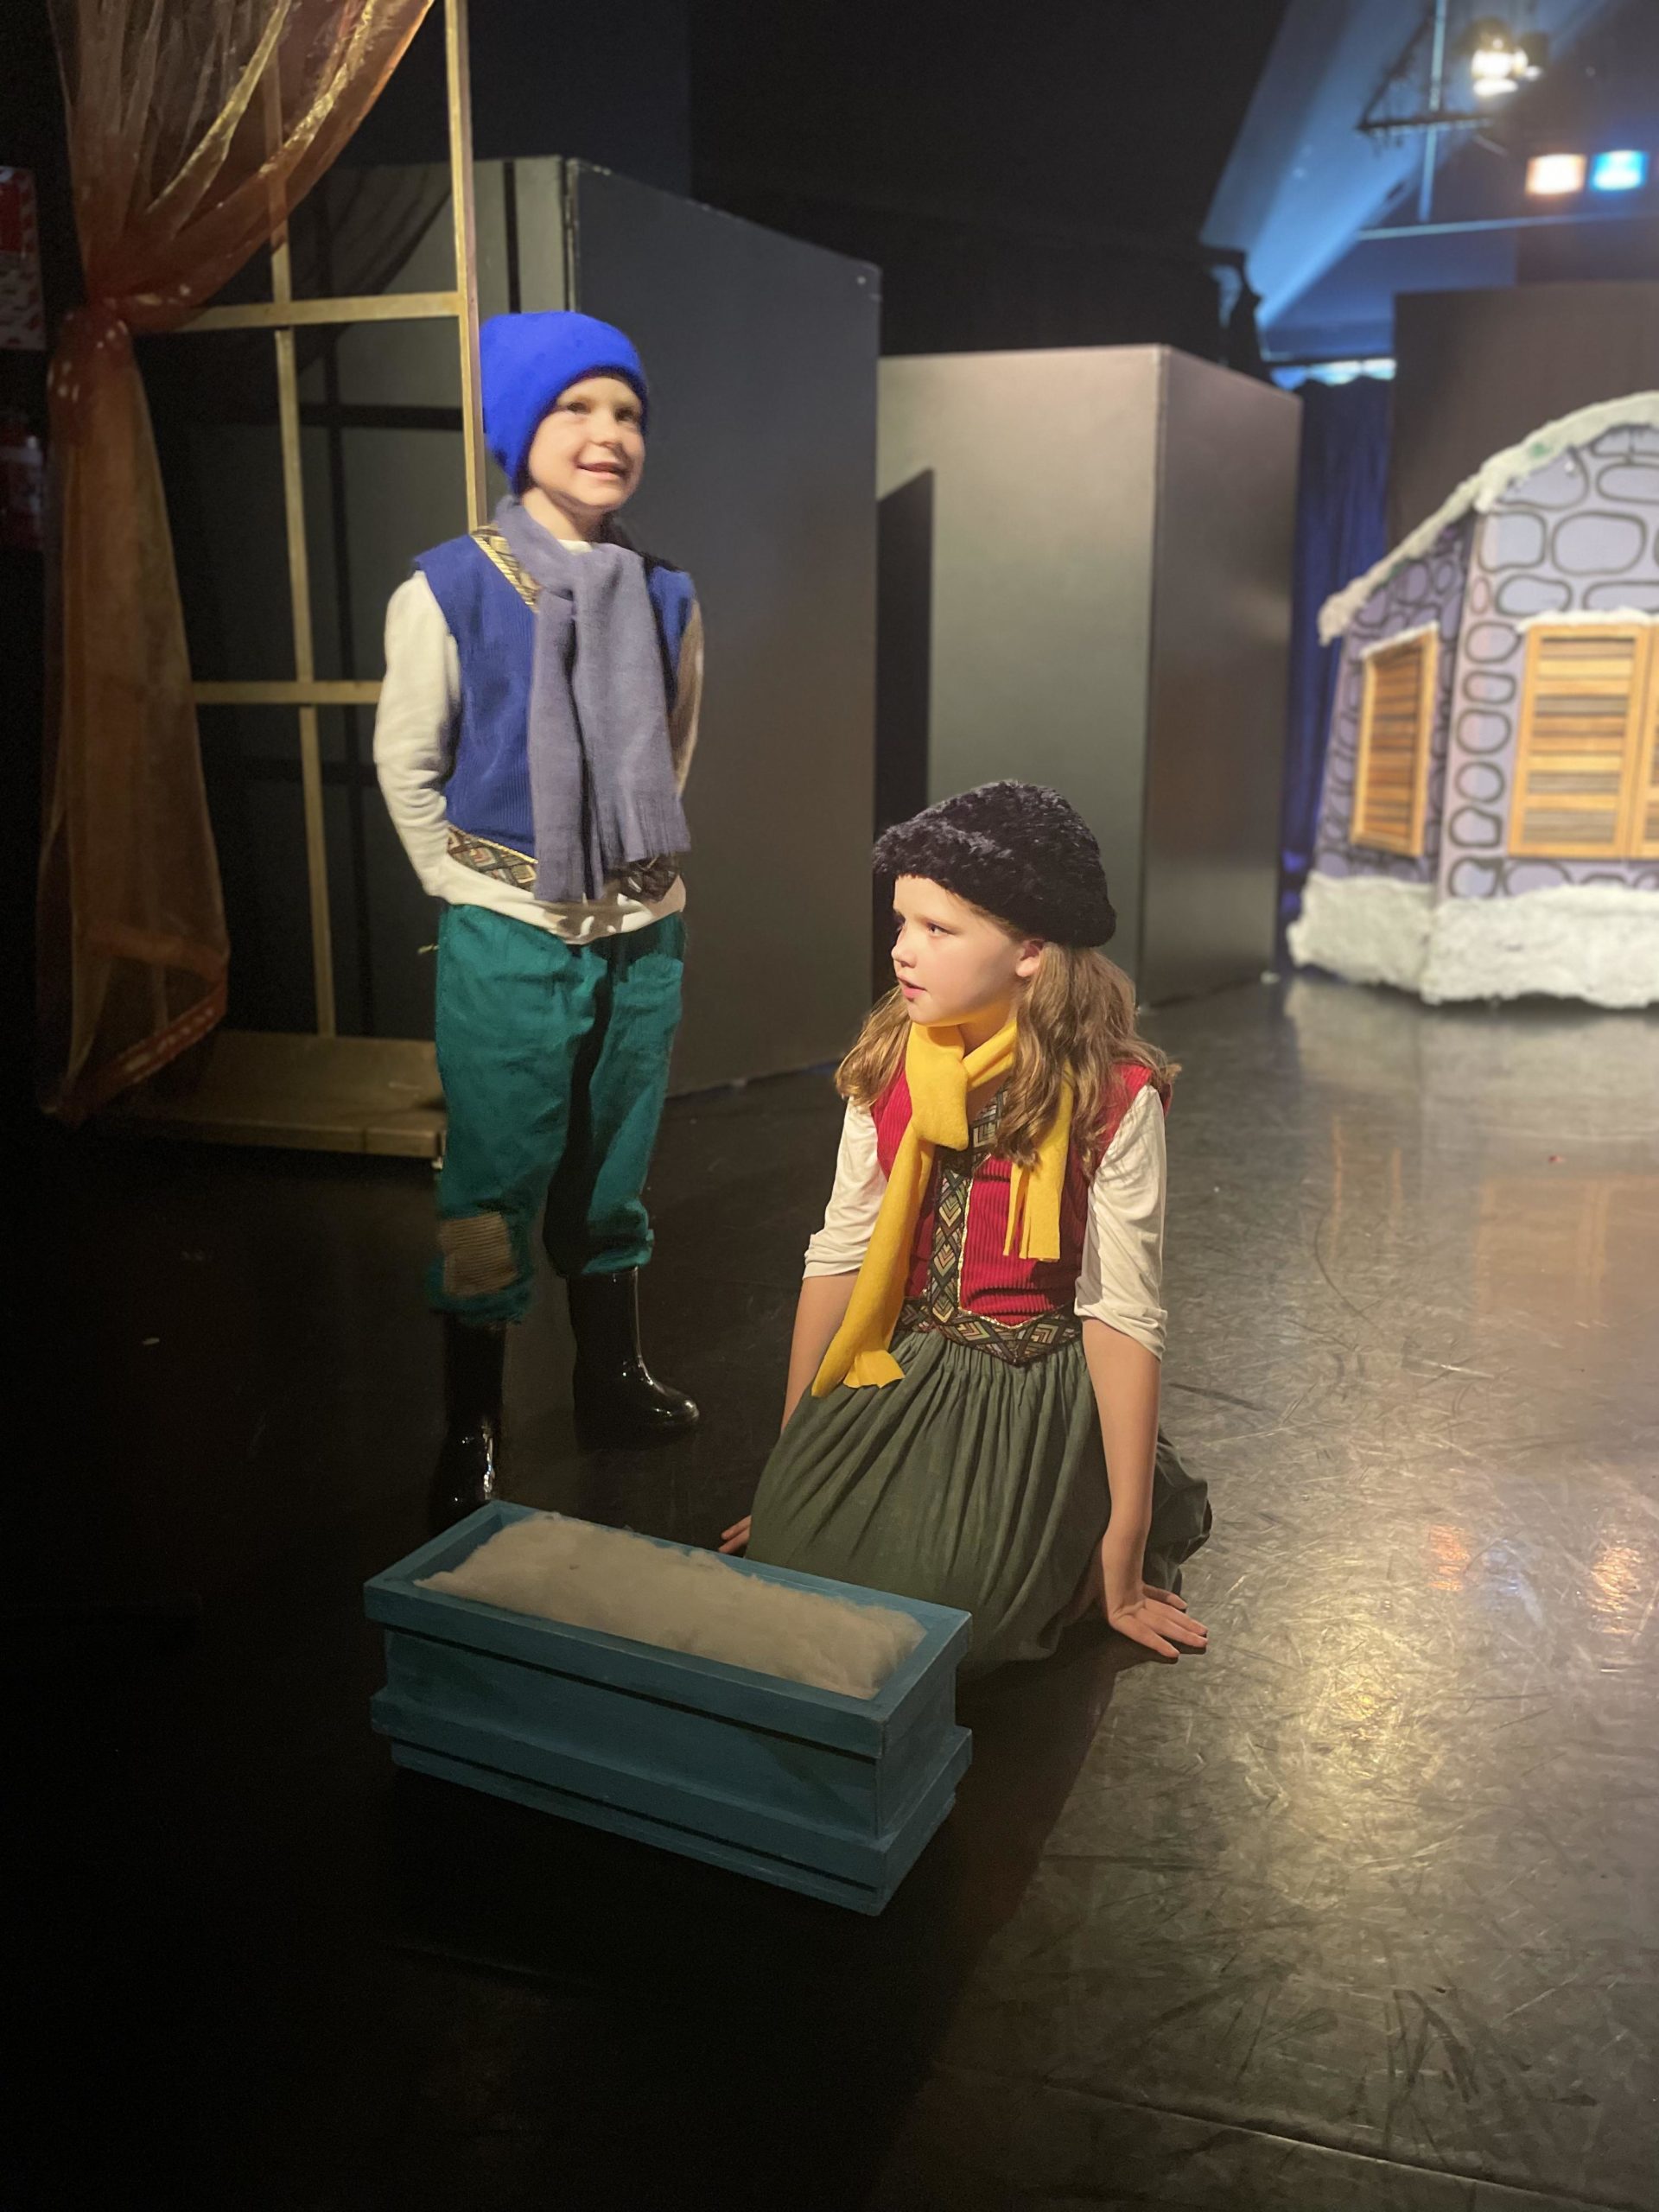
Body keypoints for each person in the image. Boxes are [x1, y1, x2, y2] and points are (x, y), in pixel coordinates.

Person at [721, 783, 1211, 1678]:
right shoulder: (890, 1060)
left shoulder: (1112, 1096)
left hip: (1029, 1382)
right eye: (901, 923)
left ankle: (1069, 1530)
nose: (902, 951)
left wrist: (1125, 1545)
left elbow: (1121, 1313)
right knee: (799, 1572)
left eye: (937, 929)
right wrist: (794, 1465)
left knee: (957, 1629)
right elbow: (842, 1254)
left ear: (1031, 951)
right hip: (902, 1357)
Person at [374, 310, 703, 1524]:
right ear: (521, 429)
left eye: (628, 413)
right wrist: (469, 884)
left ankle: (609, 1377)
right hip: (507, 931)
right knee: (494, 1176)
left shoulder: (666, 594)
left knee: (613, 1165)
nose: (608, 433)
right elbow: (409, 762)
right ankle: (472, 1419)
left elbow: (675, 746)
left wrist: (630, 865)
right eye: (577, 407)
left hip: (639, 930)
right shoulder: (449, 586)